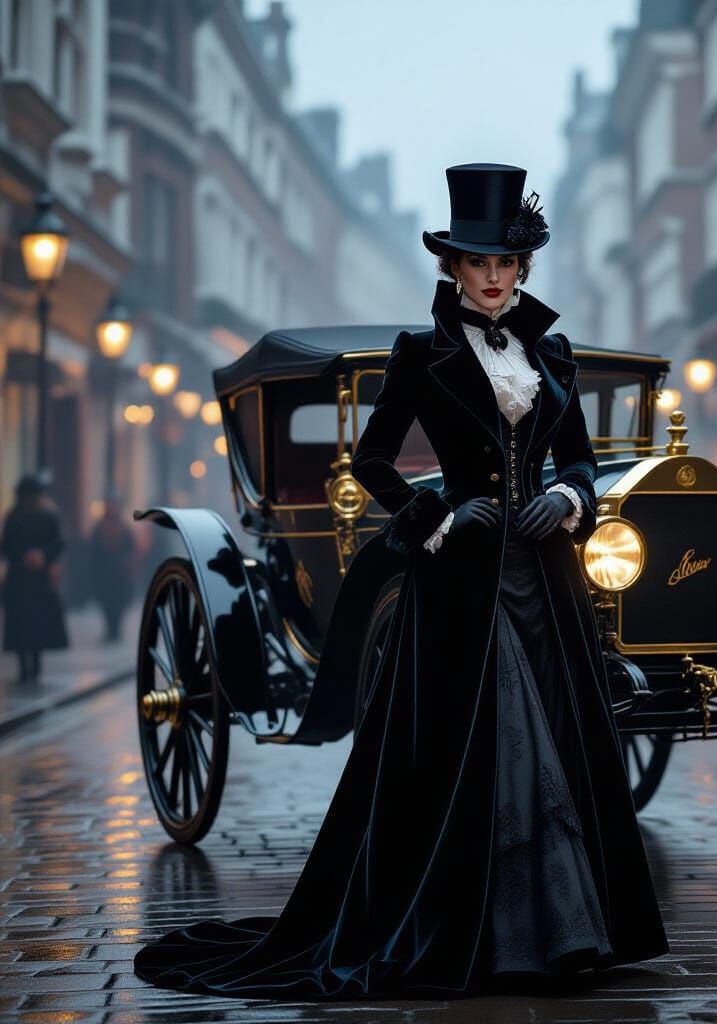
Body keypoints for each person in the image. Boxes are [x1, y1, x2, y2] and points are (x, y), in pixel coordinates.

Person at [133, 163, 669, 1000]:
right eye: (477, 263)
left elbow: (579, 460)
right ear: (453, 267)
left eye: (505, 263)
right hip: (457, 582)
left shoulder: (551, 352)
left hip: (546, 577)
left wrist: (569, 498)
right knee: (505, 735)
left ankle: (565, 933)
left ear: (522, 267)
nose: (492, 277)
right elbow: (372, 461)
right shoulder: (421, 353)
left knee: (559, 731)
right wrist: (440, 514)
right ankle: (499, 937)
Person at [1, 473, 69, 680]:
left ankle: (35, 665)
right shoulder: (13, 517)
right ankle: (24, 667)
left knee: (37, 625)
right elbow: (6, 547)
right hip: (19, 579)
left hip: (39, 580)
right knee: (20, 625)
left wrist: (43, 556)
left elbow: (58, 543)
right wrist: (22, 557)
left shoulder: (48, 516)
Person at [87, 493, 136, 642]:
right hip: (104, 573)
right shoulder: (99, 528)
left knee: (119, 603)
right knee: (106, 602)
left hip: (120, 574)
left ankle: (116, 629)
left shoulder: (124, 528)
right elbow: (93, 551)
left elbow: (131, 548)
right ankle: (110, 629)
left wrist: (129, 562)